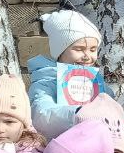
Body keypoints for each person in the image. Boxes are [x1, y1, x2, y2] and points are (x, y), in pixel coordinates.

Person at [26, 9, 102, 138]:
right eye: (79, 49)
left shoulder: (97, 82)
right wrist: (76, 113)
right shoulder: (45, 83)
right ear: (60, 51)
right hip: (62, 144)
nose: (87, 56)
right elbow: (42, 115)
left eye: (93, 49)